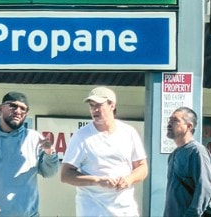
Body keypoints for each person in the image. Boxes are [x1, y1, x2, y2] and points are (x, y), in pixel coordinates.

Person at [61, 86, 148, 217]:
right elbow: (65, 175)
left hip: (125, 210)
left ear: (112, 105)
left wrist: (129, 179)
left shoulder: (129, 132)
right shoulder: (81, 136)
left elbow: (142, 167)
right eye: (91, 105)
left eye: (99, 105)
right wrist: (97, 181)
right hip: (92, 211)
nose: (94, 110)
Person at [163, 106, 211, 217]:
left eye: (175, 120)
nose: (169, 124)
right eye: (170, 120)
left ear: (189, 126)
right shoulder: (173, 155)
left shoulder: (197, 152)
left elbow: (205, 189)